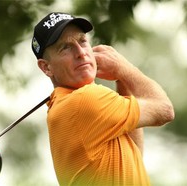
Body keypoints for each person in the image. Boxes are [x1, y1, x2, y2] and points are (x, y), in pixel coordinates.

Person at [31, 12, 174, 186]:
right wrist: (123, 67)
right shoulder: (85, 101)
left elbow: (134, 155)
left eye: (83, 41)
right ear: (46, 67)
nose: (81, 53)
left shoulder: (68, 107)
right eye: (66, 47)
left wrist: (121, 78)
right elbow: (165, 110)